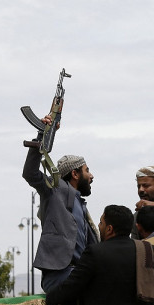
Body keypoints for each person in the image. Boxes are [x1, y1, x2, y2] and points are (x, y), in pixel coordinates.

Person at [22, 122, 99, 293]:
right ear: (75, 173)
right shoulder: (54, 189)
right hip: (60, 274)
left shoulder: (81, 205)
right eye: (87, 170)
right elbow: (30, 173)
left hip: (78, 272)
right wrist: (42, 134)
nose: (92, 176)